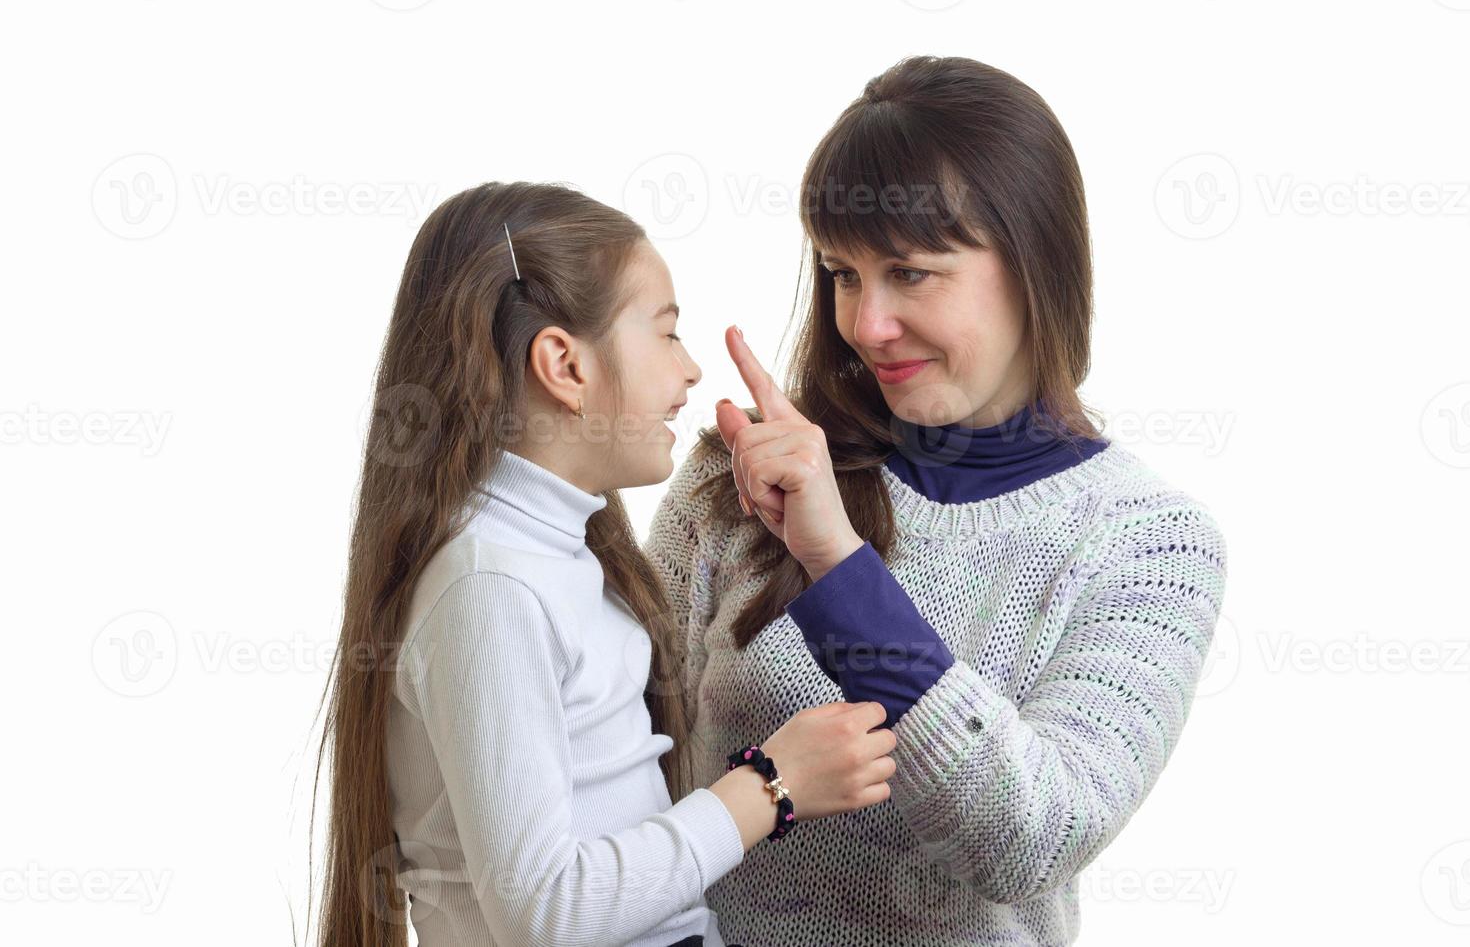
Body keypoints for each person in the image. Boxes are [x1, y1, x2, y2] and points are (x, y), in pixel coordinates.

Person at [644, 56, 1230, 946]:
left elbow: (1032, 839)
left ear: (1034, 262)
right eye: (843, 274)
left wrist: (838, 566)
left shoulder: (1150, 544)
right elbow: (619, 776)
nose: (866, 324)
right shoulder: (742, 478)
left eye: (910, 273)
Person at [310, 181, 897, 947]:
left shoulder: (558, 558)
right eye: (665, 334)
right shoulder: (492, 584)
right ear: (564, 364)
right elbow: (549, 912)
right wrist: (772, 786)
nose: (690, 372)